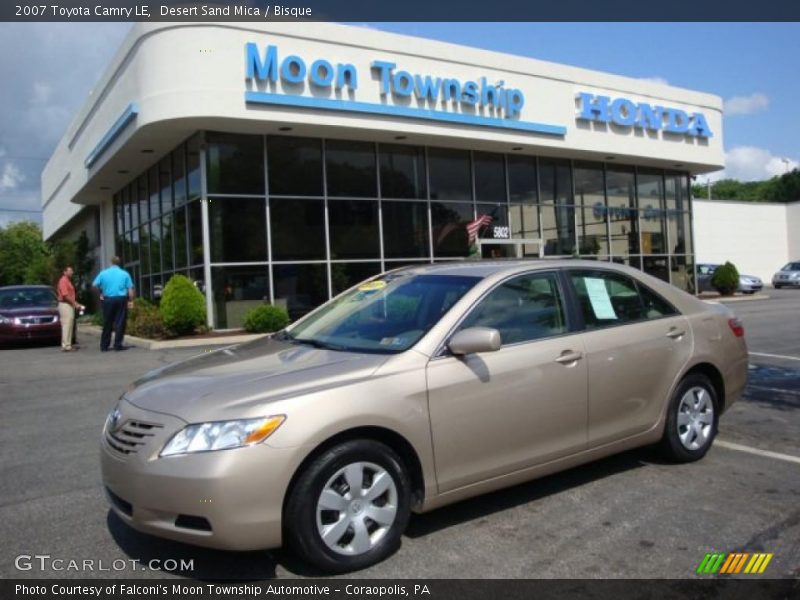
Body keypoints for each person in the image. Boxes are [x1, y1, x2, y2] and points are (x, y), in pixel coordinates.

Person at [92, 256, 135, 352]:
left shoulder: (103, 273)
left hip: (108, 299)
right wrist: (131, 301)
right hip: (121, 299)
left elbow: (94, 285)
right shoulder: (125, 274)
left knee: (107, 322)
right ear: (119, 263)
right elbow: (130, 290)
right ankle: (117, 344)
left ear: (111, 263)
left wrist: (100, 294)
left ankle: (104, 345)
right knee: (120, 322)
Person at [56, 265, 84, 352]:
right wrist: (75, 303)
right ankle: (66, 345)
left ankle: (68, 344)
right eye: (70, 271)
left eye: (72, 270)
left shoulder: (68, 281)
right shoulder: (63, 281)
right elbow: (65, 295)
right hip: (65, 304)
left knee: (70, 324)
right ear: (65, 272)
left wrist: (75, 303)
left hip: (69, 305)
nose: (72, 272)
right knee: (66, 324)